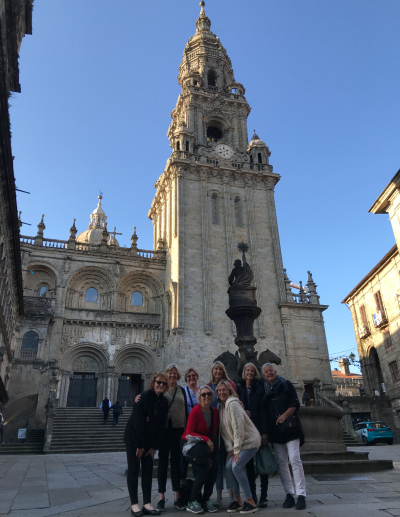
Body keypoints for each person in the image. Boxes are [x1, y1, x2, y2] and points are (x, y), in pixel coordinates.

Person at [262, 363, 306, 511]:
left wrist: (284, 416)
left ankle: (301, 495)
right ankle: (289, 494)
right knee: (282, 462)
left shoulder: (286, 384)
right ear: (264, 375)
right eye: (266, 372)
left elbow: (294, 404)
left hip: (290, 427)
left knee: (294, 458)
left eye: (271, 371)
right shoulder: (264, 389)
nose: (269, 373)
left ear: (275, 372)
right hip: (275, 431)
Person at [124, 372, 169, 517]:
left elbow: (161, 426)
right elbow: (137, 422)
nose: (161, 385)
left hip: (149, 442)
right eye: (158, 382)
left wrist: (152, 447)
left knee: (148, 470)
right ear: (153, 383)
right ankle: (134, 504)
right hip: (134, 439)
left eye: (163, 383)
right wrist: (140, 445)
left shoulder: (163, 402)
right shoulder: (144, 397)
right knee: (134, 468)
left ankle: (147, 503)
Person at [217, 379, 260, 515]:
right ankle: (238, 500)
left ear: (229, 391)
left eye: (224, 390)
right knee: (229, 466)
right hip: (239, 444)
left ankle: (250, 501)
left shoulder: (232, 404)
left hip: (250, 441)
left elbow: (238, 429)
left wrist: (236, 451)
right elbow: (224, 433)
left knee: (236, 466)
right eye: (219, 390)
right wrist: (231, 450)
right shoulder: (221, 407)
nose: (222, 392)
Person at [181, 385, 219, 514]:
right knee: (204, 468)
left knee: (214, 468)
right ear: (199, 398)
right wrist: (206, 439)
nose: (206, 396)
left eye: (209, 394)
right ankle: (192, 501)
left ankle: (205, 499)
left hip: (204, 447)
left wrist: (209, 445)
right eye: (203, 395)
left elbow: (213, 433)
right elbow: (188, 433)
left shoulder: (215, 412)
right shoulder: (195, 411)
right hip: (190, 445)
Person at [236, 364, 268, 508]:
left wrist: (265, 432)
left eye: (252, 371)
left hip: (259, 429)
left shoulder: (260, 387)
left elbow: (264, 410)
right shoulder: (240, 388)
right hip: (246, 432)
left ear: (255, 374)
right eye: (247, 371)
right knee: (248, 466)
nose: (249, 373)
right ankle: (252, 495)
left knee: (262, 464)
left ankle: (264, 496)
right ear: (244, 373)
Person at [157, 364, 188, 511]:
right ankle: (161, 497)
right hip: (164, 431)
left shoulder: (181, 390)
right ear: (166, 374)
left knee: (176, 463)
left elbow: (185, 411)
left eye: (174, 374)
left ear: (178, 375)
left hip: (178, 430)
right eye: (170, 373)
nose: (172, 376)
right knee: (163, 464)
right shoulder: (161, 388)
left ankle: (177, 496)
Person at [208, 361, 236, 507]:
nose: (218, 371)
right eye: (215, 369)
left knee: (229, 463)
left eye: (220, 369)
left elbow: (235, 400)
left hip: (229, 428)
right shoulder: (208, 386)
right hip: (215, 429)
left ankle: (231, 494)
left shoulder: (230, 384)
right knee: (218, 464)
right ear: (212, 371)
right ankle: (218, 496)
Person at [181, 368, 200, 486]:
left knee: (197, 460)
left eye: (193, 375)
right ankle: (182, 489)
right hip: (186, 429)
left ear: (197, 377)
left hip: (200, 429)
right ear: (186, 378)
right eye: (189, 376)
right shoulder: (182, 390)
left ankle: (198, 489)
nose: (191, 377)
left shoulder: (203, 390)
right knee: (183, 458)